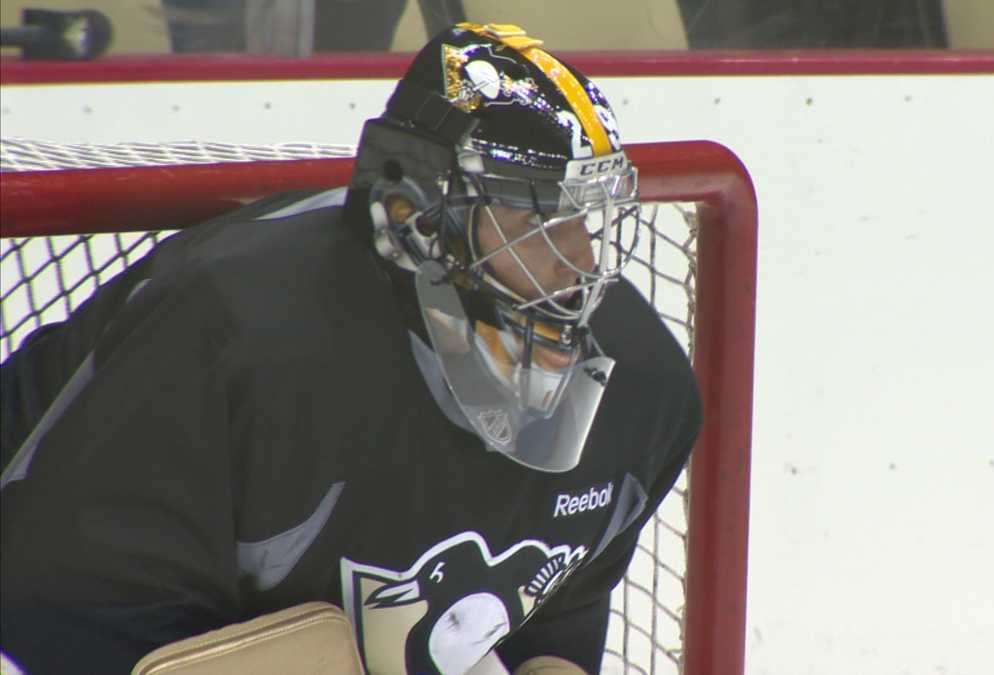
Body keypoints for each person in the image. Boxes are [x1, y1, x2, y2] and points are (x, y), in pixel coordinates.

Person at [0, 22, 701, 675]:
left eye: (583, 217)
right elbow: (51, 595)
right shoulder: (236, 338)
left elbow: (560, 608)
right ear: (415, 218)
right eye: (532, 217)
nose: (578, 264)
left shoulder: (644, 388)